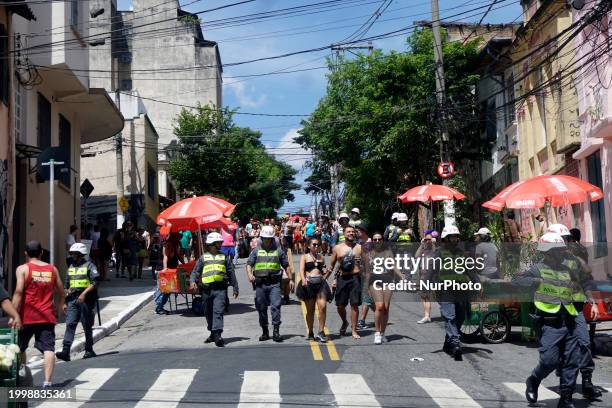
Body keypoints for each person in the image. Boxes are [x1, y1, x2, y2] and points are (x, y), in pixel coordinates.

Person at [520, 232, 589, 408]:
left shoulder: (568, 270)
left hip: (570, 320)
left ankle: (566, 398)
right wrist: (535, 281)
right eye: (558, 250)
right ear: (547, 252)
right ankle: (534, 380)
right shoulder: (537, 268)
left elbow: (580, 286)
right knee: (549, 361)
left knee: (572, 361)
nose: (562, 253)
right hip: (550, 323)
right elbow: (517, 280)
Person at [547, 224, 602, 402]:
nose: (566, 243)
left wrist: (592, 303)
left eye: (567, 239)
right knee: (559, 351)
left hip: (575, 309)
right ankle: (565, 386)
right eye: (563, 240)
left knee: (584, 343)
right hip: (555, 311)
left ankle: (587, 382)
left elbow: (585, 282)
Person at [12, 241, 65, 387]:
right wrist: (60, 307)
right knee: (48, 349)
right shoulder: (52, 269)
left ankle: (22, 375)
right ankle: (47, 381)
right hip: (47, 316)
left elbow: (18, 292)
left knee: (20, 347)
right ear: (41, 253)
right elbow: (62, 292)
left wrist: (13, 314)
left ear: (25, 253)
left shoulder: (22, 269)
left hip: (26, 317)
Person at [190, 232, 239, 347]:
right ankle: (212, 332)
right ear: (212, 244)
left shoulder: (224, 257)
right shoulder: (203, 258)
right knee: (208, 312)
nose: (221, 244)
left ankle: (218, 335)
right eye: (219, 242)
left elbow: (231, 272)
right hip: (206, 290)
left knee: (218, 311)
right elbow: (195, 272)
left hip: (220, 289)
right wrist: (193, 281)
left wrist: (235, 287)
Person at [246, 225, 293, 342]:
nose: (267, 240)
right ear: (261, 238)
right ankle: (265, 331)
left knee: (276, 306)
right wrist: (250, 275)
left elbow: (286, 266)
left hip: (274, 284)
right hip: (260, 284)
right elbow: (248, 264)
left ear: (272, 239)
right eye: (264, 238)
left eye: (269, 238)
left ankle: (276, 331)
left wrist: (291, 279)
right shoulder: (256, 251)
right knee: (261, 307)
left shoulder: (278, 251)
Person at [437, 225, 477, 361]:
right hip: (445, 290)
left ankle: (448, 343)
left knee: (460, 318)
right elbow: (431, 270)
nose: (455, 239)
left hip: (461, 290)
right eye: (452, 237)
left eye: (456, 237)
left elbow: (469, 269)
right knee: (450, 317)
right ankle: (455, 344)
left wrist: (477, 282)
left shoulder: (461, 253)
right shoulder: (439, 253)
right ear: (446, 239)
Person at [56, 243, 100, 361]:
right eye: (71, 253)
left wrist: (84, 294)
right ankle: (65, 352)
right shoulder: (70, 267)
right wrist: (64, 302)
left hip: (86, 300)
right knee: (70, 324)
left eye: (74, 253)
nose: (72, 255)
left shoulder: (90, 266)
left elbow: (95, 282)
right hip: (72, 300)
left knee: (87, 325)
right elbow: (66, 286)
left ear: (80, 254)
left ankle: (89, 350)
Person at [363, 232, 404, 344]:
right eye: (375, 239)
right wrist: (366, 288)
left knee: (386, 307)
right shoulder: (368, 253)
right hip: (374, 281)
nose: (377, 241)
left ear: (382, 240)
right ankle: (377, 333)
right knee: (379, 306)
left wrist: (402, 276)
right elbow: (367, 272)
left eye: (379, 239)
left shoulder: (388, 251)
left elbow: (394, 265)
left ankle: (382, 332)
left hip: (387, 280)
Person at [328, 225, 363, 339]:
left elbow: (368, 264)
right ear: (344, 234)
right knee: (340, 306)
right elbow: (331, 265)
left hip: (355, 278)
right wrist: (325, 278)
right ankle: (344, 322)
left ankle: (354, 330)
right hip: (342, 278)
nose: (351, 233)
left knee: (354, 305)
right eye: (348, 232)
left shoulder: (359, 247)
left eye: (352, 232)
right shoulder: (337, 248)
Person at [297, 238, 332, 342]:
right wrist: (303, 280)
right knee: (310, 310)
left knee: (323, 306)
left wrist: (328, 272)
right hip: (308, 284)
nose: (316, 246)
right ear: (309, 246)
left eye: (318, 245)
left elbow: (324, 274)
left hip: (320, 284)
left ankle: (321, 331)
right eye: (314, 245)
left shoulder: (321, 257)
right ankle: (311, 332)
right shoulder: (304, 257)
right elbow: (301, 270)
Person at [155, 233, 183, 315]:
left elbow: (178, 255)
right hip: (165, 269)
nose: (179, 239)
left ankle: (160, 307)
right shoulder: (168, 244)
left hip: (172, 269)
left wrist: (184, 263)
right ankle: (159, 307)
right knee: (163, 289)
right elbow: (165, 256)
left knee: (168, 289)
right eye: (178, 237)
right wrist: (165, 269)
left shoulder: (175, 244)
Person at [414, 232, 437, 324]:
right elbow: (416, 256)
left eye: (429, 239)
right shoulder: (423, 249)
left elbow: (436, 255)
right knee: (424, 296)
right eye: (426, 239)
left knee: (431, 296)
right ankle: (427, 315)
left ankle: (427, 315)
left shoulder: (436, 249)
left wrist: (434, 243)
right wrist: (421, 244)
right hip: (422, 275)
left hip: (431, 276)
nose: (427, 241)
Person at [356, 223, 373, 331]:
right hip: (360, 274)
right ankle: (381, 314)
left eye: (357, 231)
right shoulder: (359, 243)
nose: (355, 233)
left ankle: (361, 321)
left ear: (363, 231)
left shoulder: (372, 243)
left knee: (366, 296)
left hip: (370, 274)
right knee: (367, 298)